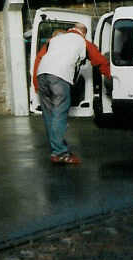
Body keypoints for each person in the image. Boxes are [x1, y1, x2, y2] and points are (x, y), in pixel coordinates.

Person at [32, 22, 110, 165]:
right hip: (59, 77)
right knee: (59, 113)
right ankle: (60, 153)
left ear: (70, 30)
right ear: (83, 32)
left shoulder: (54, 40)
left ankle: (57, 150)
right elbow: (99, 60)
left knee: (49, 114)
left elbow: (39, 58)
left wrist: (36, 83)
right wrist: (111, 76)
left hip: (42, 74)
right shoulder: (83, 41)